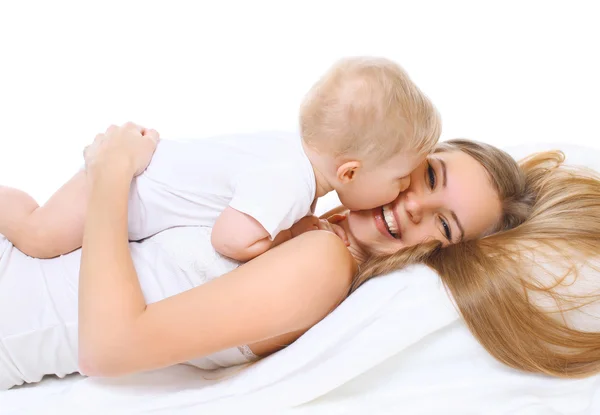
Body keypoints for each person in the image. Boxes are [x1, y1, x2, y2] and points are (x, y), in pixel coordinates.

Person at [2, 126, 599, 390]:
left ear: (444, 255)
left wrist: (110, 173)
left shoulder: (322, 263)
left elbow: (109, 349)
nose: (412, 206)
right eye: (427, 175)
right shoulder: (304, 218)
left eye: (443, 224)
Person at [0, 56, 441, 263]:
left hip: (137, 178)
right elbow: (229, 238)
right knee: (37, 235)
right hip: (126, 183)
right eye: (401, 179)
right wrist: (287, 239)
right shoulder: (290, 181)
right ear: (350, 172)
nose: (403, 192)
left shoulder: (288, 155)